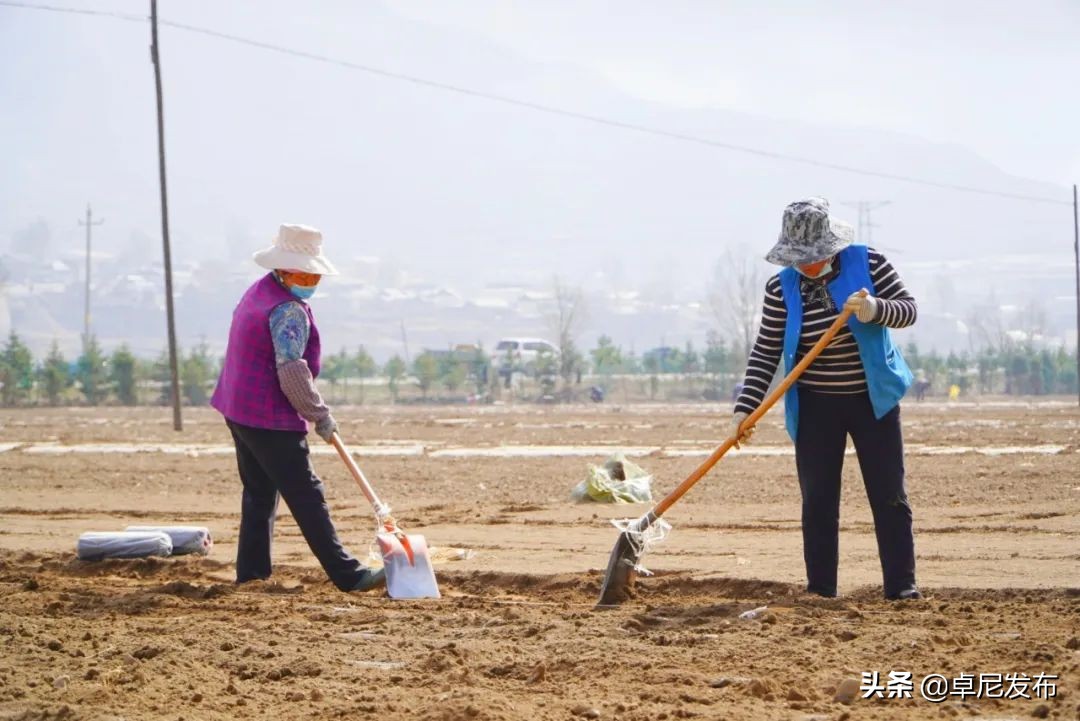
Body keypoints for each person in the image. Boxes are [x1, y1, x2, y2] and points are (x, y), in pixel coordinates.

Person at [730, 198, 921, 601]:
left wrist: (874, 308)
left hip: (874, 401)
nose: (808, 265)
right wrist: (744, 410)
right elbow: (766, 350)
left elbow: (908, 311)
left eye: (813, 257)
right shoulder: (781, 287)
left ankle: (901, 587)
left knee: (889, 495)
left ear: (830, 246)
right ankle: (821, 589)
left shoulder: (869, 262)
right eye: (799, 259)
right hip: (816, 406)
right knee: (817, 500)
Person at [210, 224, 385, 593]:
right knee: (307, 495)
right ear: (285, 270)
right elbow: (291, 370)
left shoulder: (259, 292)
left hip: (238, 407)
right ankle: (349, 575)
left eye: (314, 274)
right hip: (267, 416)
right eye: (304, 273)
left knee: (259, 492)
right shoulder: (288, 310)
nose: (311, 280)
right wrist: (319, 414)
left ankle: (252, 575)